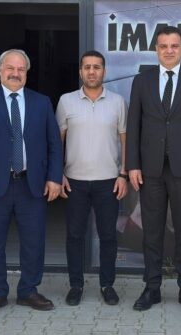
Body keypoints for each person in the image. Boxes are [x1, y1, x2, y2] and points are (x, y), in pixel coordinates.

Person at [0, 49, 62, 316]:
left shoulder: (41, 102)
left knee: (34, 241)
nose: (15, 73)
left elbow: (54, 143)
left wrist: (54, 178)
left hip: (32, 184)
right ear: (0, 70)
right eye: (10, 68)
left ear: (27, 73)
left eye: (21, 69)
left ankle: (28, 290)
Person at [126, 26, 181, 314]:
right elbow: (134, 124)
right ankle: (151, 288)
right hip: (150, 169)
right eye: (163, 46)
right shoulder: (142, 80)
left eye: (174, 46)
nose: (168, 51)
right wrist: (132, 165)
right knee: (151, 232)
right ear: (156, 49)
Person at [55, 50, 128, 306]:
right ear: (80, 71)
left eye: (97, 67)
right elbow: (57, 141)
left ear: (104, 71)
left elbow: (125, 140)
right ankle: (76, 285)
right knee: (74, 236)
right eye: (87, 67)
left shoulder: (117, 102)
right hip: (74, 181)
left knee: (108, 236)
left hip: (109, 181)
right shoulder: (66, 101)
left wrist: (123, 174)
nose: (92, 71)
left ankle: (107, 284)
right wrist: (58, 174)